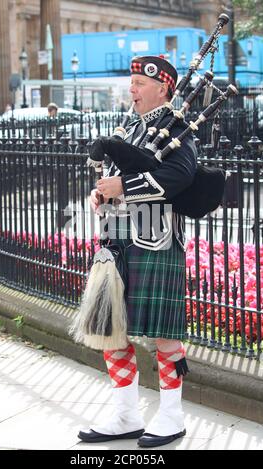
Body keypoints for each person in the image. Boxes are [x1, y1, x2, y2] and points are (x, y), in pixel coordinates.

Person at [78, 55, 198, 448]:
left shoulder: (177, 128)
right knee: (111, 328)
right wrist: (101, 193)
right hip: (117, 237)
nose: (132, 88)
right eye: (131, 82)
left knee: (164, 335)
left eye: (139, 83)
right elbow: (114, 176)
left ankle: (171, 415)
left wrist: (125, 188)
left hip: (155, 238)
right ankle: (126, 414)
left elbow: (180, 176)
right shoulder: (128, 128)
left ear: (162, 88)